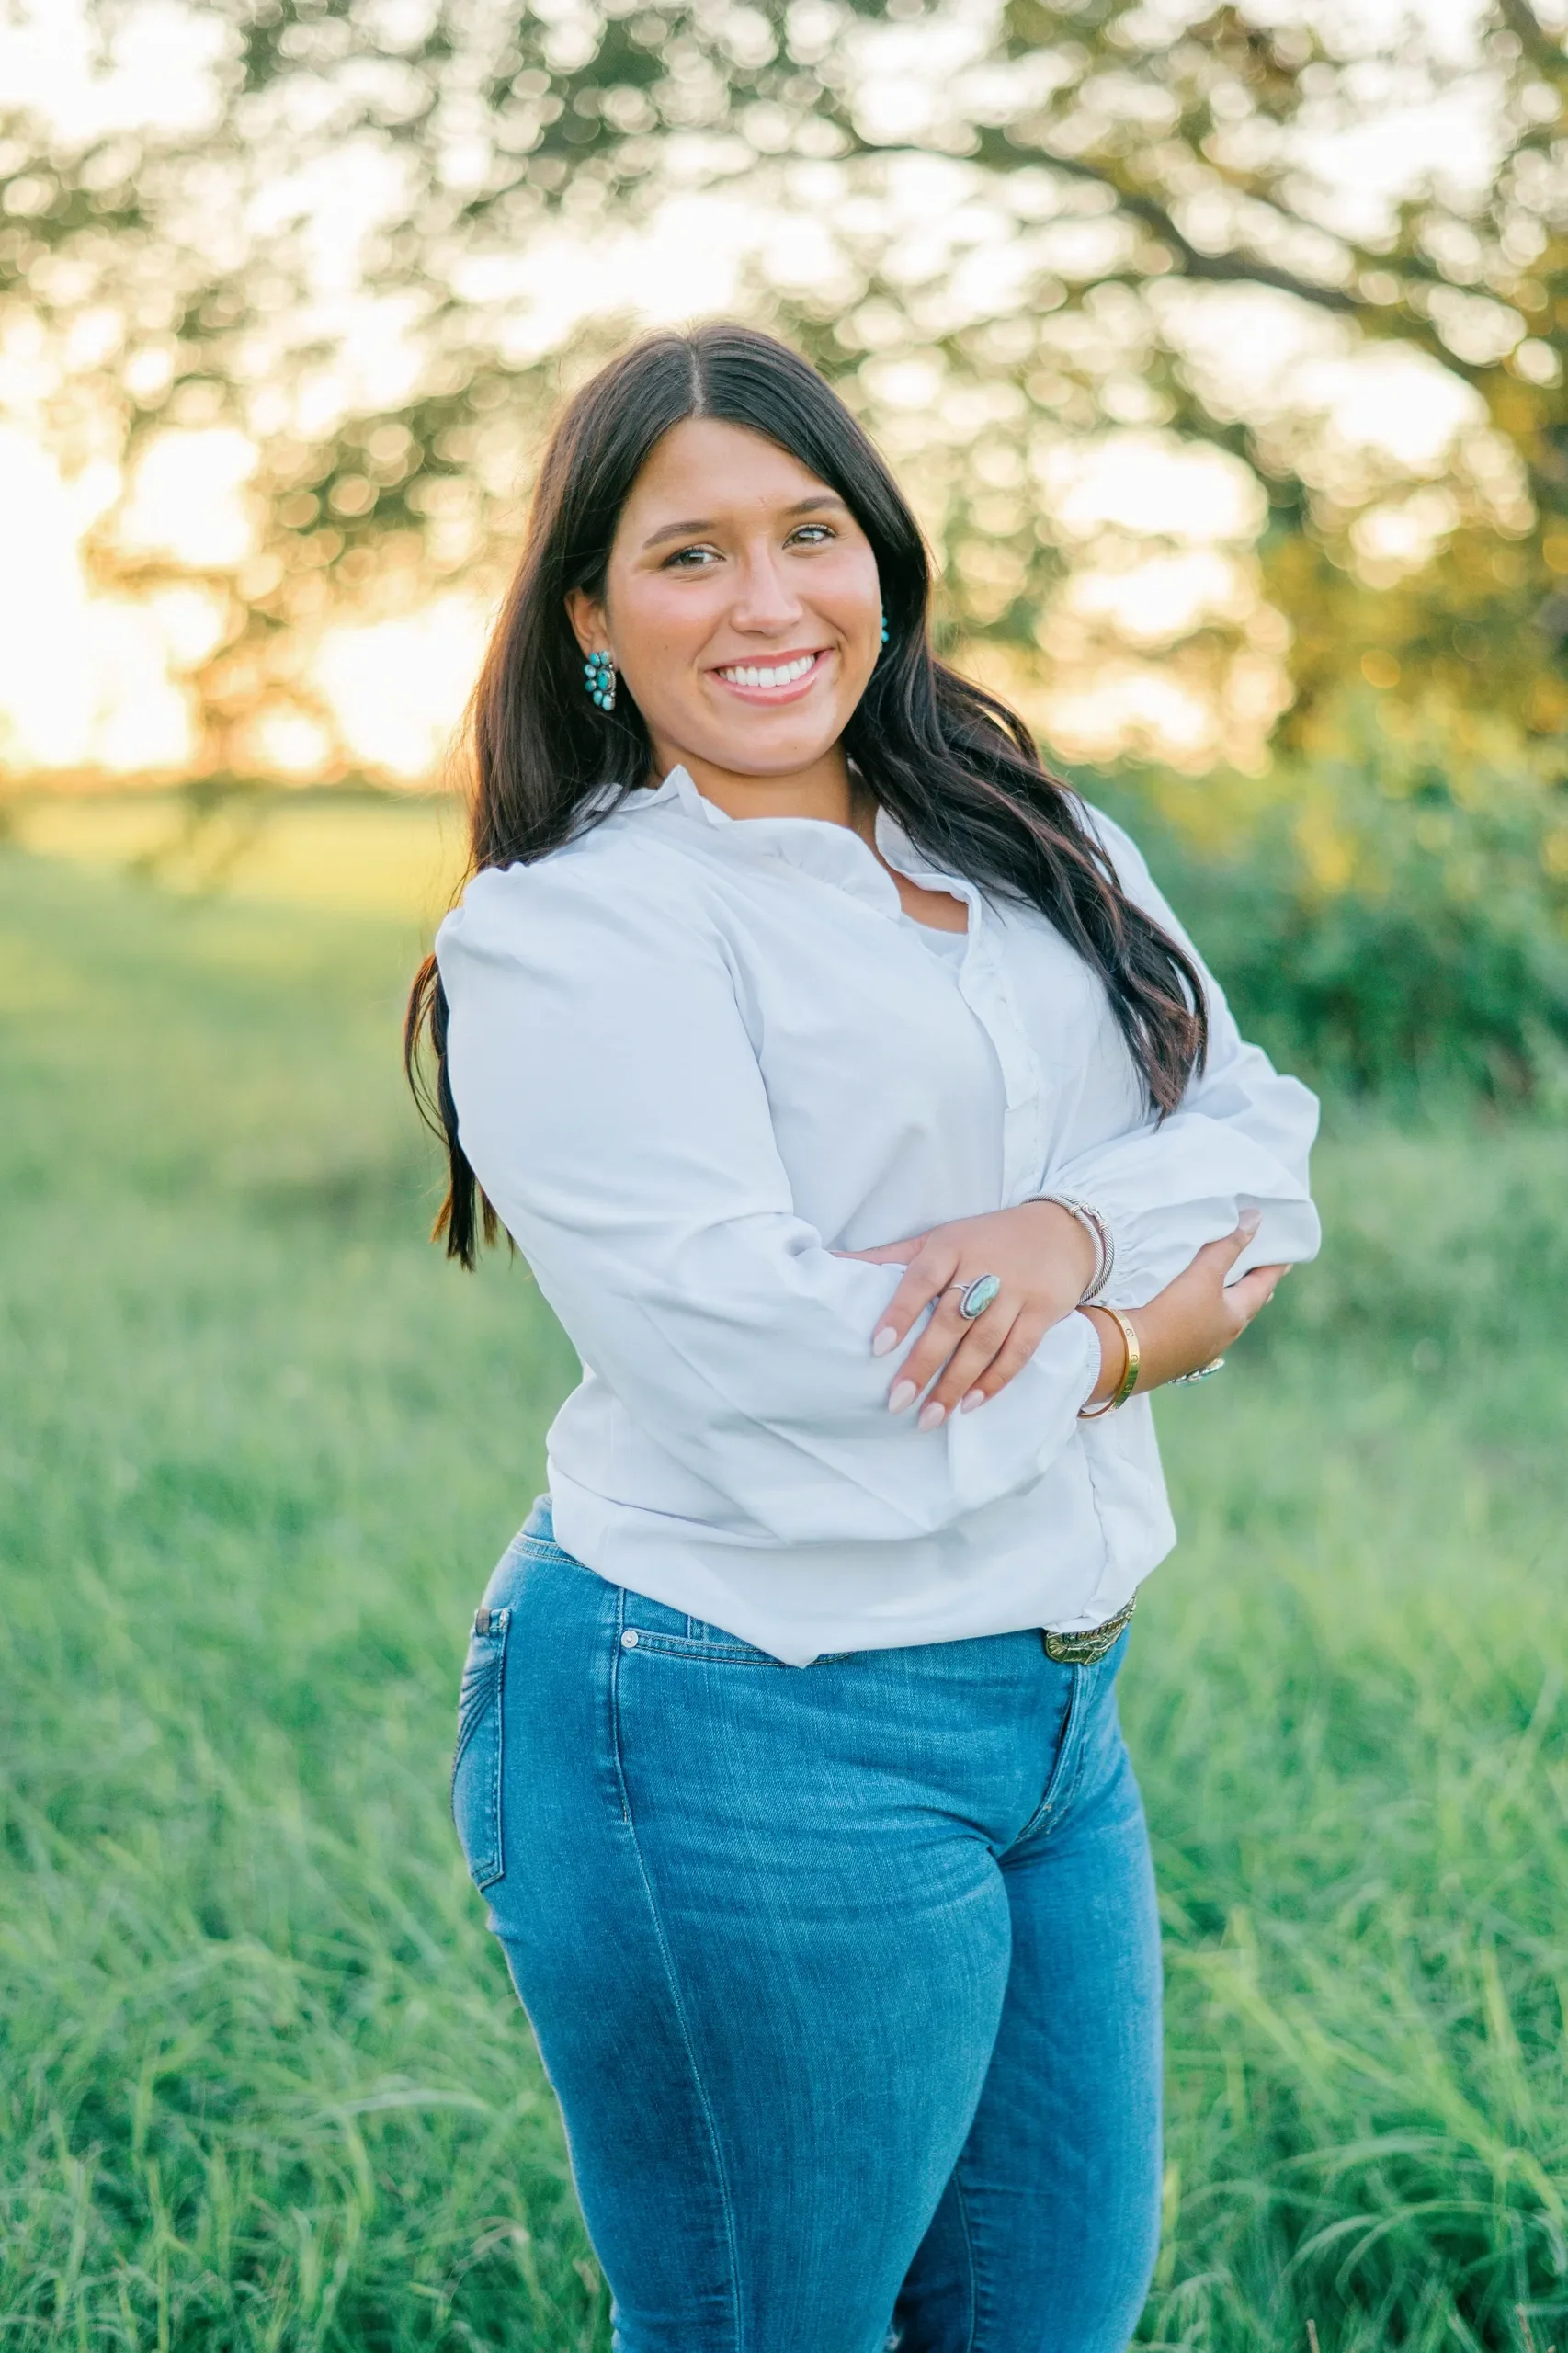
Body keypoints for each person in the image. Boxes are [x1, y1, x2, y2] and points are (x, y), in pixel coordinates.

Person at [405, 322, 1320, 2353]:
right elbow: (767, 1357)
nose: (767, 601)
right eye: (688, 553)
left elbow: (1249, 1133)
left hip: (1054, 1711)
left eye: (809, 531)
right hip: (739, 1711)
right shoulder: (577, 927)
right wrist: (1124, 1342)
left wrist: (1067, 1223)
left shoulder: (1024, 833)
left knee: (1041, 2320)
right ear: (590, 613)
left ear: (882, 555)